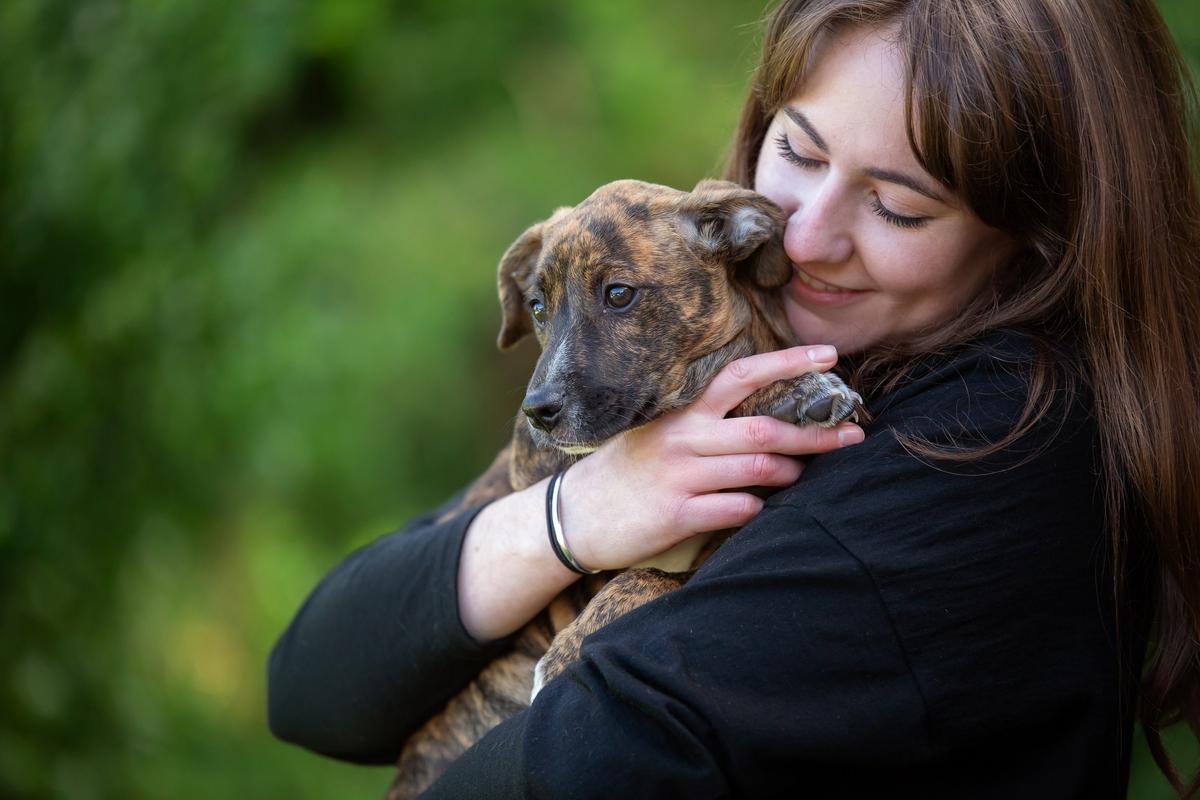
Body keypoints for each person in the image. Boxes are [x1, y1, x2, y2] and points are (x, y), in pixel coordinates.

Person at [267, 0, 1200, 796]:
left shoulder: (989, 455)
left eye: (899, 207)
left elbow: (585, 756)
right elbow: (315, 683)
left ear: (1038, 235)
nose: (803, 236)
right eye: (797, 149)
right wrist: (573, 516)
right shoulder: (713, 376)